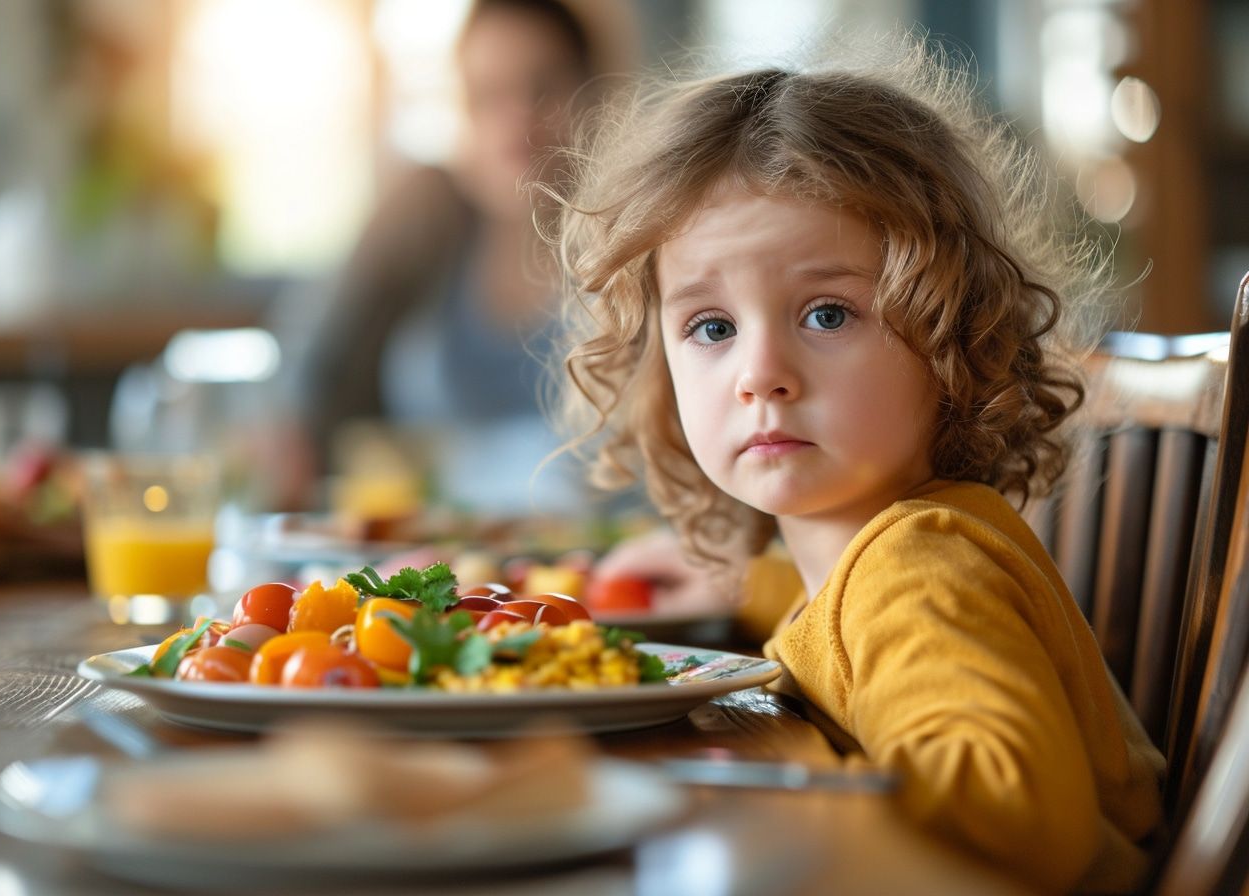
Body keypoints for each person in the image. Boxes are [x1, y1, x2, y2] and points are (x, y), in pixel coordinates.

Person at [547, 36, 1164, 894]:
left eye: (828, 314)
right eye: (713, 327)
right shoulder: (890, 560)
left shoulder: (917, 572)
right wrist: (739, 585)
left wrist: (767, 806)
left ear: (952, 336)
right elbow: (855, 633)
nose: (761, 373)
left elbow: (1023, 827)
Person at [265, 0, 617, 513]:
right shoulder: (428, 212)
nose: (517, 119)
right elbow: (304, 370)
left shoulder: (636, 242)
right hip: (428, 567)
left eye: (543, 90)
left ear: (597, 95)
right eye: (486, 95)